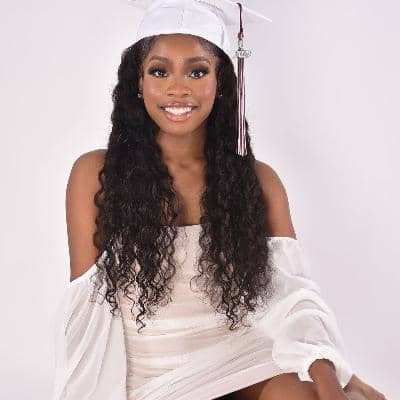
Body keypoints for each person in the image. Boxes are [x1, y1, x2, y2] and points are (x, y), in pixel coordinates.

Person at [51, 1, 387, 399]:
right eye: (159, 71)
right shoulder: (97, 175)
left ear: (222, 82)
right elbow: (87, 309)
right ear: (137, 82)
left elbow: (293, 294)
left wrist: (330, 379)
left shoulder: (256, 180)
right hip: (154, 380)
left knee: (308, 394)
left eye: (197, 71)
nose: (178, 88)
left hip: (243, 359)